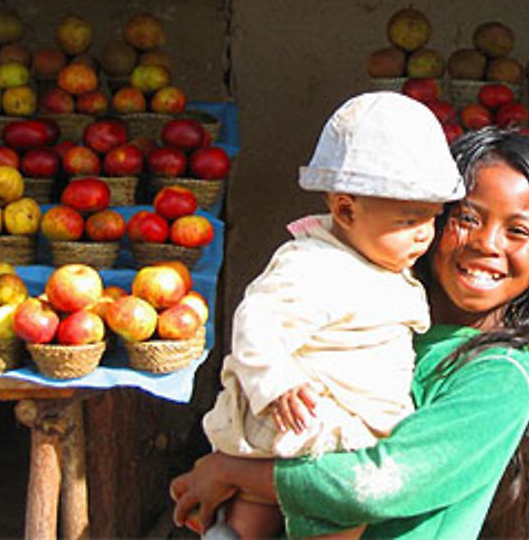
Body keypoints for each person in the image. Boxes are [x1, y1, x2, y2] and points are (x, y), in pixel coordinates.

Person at [171, 126, 529, 539]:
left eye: (518, 231)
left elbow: (374, 486)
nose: (487, 243)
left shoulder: (502, 376)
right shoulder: (374, 320)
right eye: (467, 218)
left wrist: (229, 471)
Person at [198, 91, 466, 539]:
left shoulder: (382, 263)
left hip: (347, 426)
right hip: (309, 426)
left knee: (265, 503)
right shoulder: (313, 265)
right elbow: (257, 321)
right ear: (345, 209)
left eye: (432, 219)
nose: (424, 236)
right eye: (408, 220)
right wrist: (276, 382)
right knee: (333, 510)